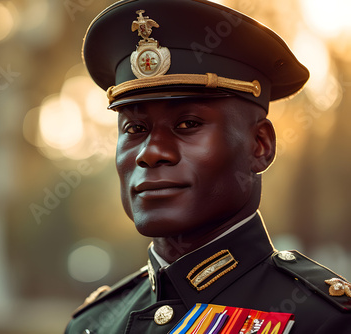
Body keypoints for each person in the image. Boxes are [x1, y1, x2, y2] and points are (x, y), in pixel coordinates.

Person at [65, 0, 351, 333]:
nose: (151, 152)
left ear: (260, 145)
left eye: (187, 124)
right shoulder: (92, 324)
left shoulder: (323, 321)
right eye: (134, 129)